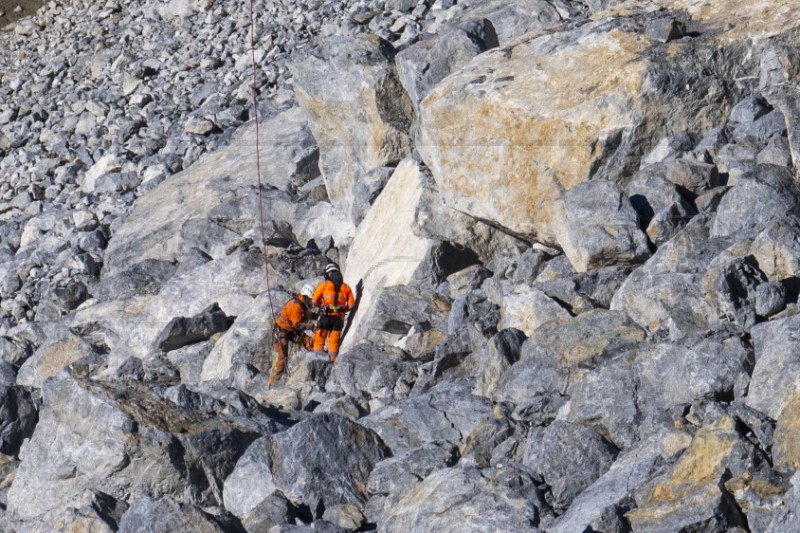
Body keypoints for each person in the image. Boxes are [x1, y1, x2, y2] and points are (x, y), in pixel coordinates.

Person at [268, 284, 316, 388]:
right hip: (282, 332)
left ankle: (319, 355)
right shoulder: (296, 305)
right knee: (280, 360)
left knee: (308, 342)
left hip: (291, 330)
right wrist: (312, 326)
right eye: (310, 300)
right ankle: (272, 386)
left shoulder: (301, 303)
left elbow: (306, 315)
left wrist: (318, 315)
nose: (311, 302)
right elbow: (298, 324)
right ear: (305, 296)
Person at [311, 263, 355, 362]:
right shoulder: (346, 287)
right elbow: (352, 305)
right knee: (334, 343)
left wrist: (320, 306)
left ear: (327, 274)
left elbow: (314, 301)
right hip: (339, 319)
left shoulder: (324, 285)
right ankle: (332, 362)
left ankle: (317, 362)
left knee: (319, 341)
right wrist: (343, 309)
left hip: (325, 317)